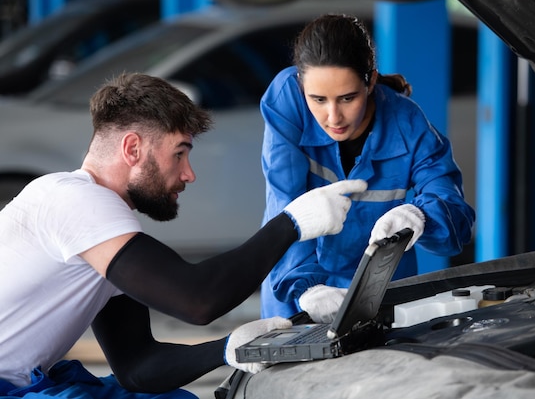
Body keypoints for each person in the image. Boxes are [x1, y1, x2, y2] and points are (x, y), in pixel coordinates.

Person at [0, 72, 368, 398]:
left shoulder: (93, 229)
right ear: (132, 149)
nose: (189, 173)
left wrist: (228, 349)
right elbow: (196, 299)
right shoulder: (76, 200)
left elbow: (136, 366)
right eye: (179, 153)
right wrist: (292, 223)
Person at [259, 14, 476, 322]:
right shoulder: (287, 102)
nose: (333, 117)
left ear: (371, 80)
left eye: (347, 98)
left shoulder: (408, 125)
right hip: (296, 294)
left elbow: (454, 211)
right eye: (318, 99)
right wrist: (305, 287)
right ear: (300, 87)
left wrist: (419, 214)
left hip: (378, 296)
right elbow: (285, 205)